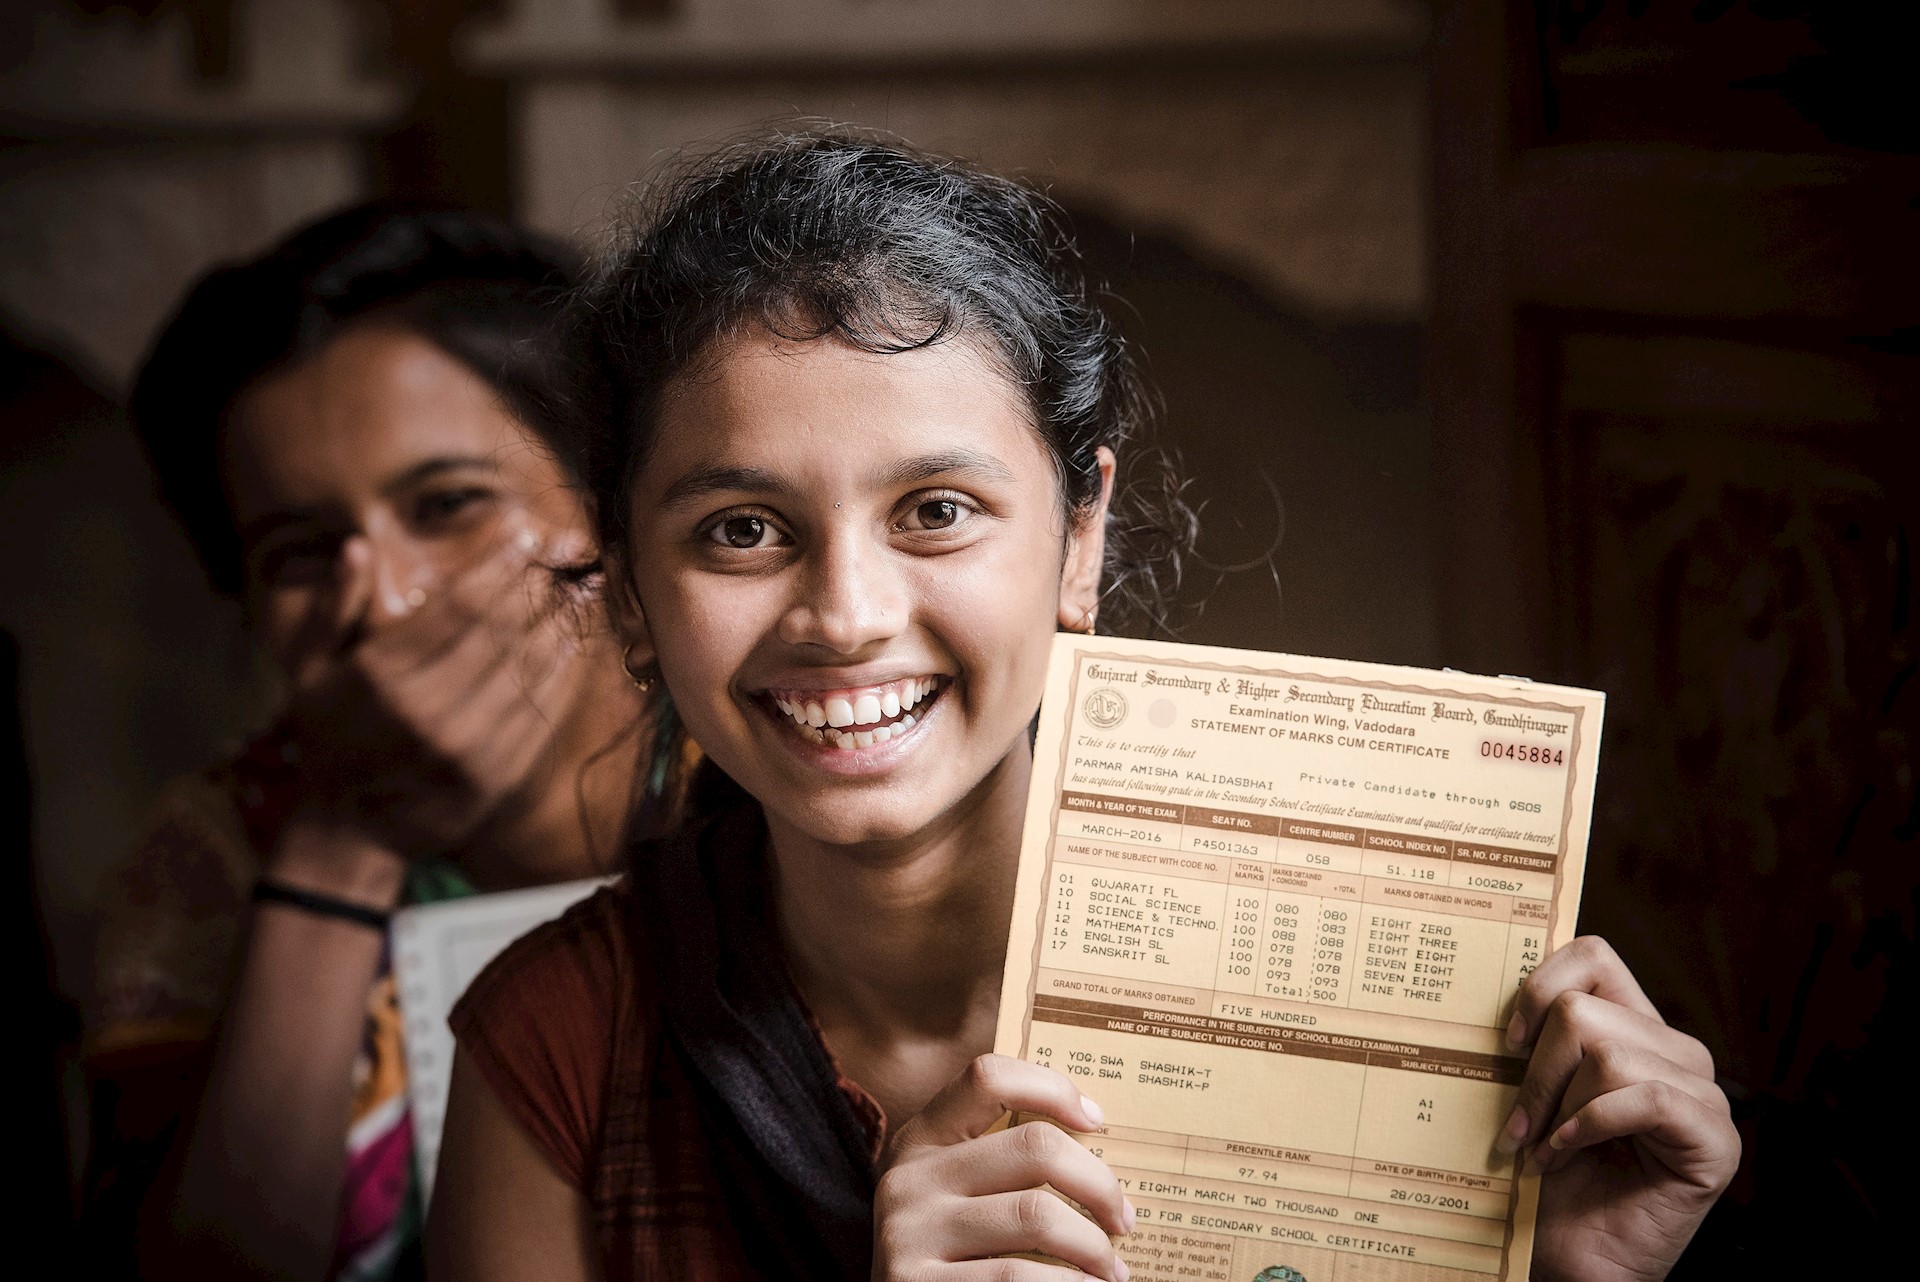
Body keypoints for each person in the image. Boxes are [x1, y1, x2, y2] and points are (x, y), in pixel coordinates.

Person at [427, 133, 1739, 1282]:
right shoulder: (561, 1044)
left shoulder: (1426, 1011)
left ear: (1077, 539)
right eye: (742, 528)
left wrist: (1571, 1281)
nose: (846, 612)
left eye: (935, 511)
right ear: (632, 591)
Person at [84, 205, 678, 1282]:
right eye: (302, 553)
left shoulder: (767, 766)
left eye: (447, 504)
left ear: (606, 514)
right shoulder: (211, 857)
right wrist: (343, 849)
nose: (383, 601)